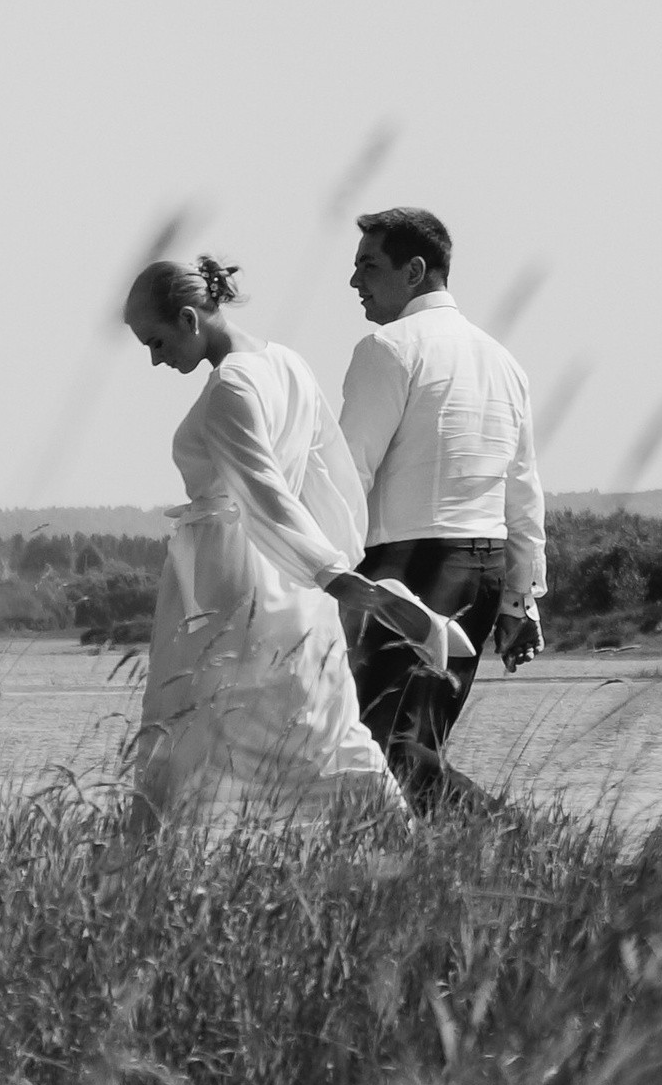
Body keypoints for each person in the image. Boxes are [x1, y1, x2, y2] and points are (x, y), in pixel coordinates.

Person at [120, 253, 464, 824]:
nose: (157, 360)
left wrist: (337, 576)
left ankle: (152, 863)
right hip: (294, 581)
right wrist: (332, 566)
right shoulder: (287, 363)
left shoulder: (231, 386)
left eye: (156, 342)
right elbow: (329, 478)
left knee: (191, 726)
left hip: (236, 586)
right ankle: (395, 842)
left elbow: (267, 496)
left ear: (189, 319)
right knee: (321, 725)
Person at [337, 205, 546, 807]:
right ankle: (435, 873)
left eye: (368, 266)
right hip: (480, 572)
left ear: (415, 270)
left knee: (387, 749)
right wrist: (518, 598)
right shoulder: (505, 362)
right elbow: (524, 492)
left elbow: (350, 472)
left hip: (410, 571)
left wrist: (318, 572)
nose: (355, 282)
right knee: (410, 744)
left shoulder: (387, 349)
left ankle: (517, 841)